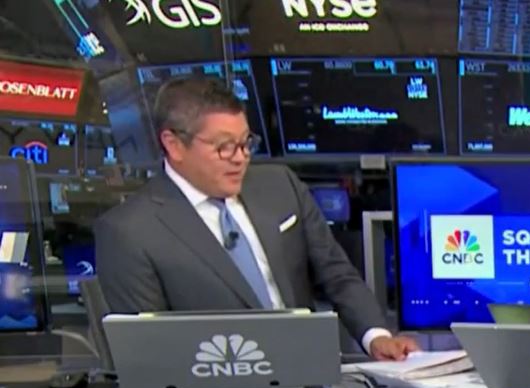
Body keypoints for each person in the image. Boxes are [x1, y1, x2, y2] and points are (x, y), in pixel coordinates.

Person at [95, 77, 418, 361]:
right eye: (224, 147)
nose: (240, 159)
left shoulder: (280, 186)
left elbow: (335, 273)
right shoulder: (130, 231)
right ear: (174, 145)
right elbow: (151, 352)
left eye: (246, 143)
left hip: (311, 378)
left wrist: (376, 336)